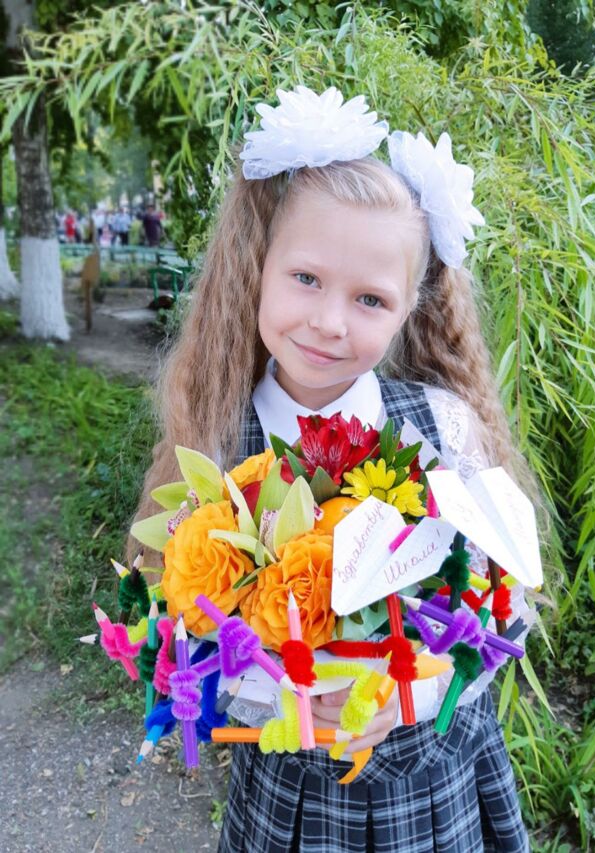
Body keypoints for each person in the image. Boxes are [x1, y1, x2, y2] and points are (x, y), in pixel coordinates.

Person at [129, 86, 534, 851]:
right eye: (306, 279)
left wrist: (412, 691)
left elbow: (506, 610)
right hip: (291, 808)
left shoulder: (442, 430)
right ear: (259, 267)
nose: (328, 321)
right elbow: (182, 632)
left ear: (412, 305)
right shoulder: (218, 447)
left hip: (437, 794)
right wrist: (273, 693)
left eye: (370, 298)